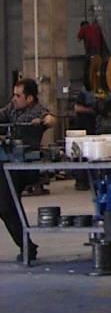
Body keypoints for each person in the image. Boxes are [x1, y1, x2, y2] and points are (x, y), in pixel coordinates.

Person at [0, 79, 54, 263]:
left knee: (6, 204)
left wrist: (43, 121)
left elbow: (51, 119)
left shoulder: (36, 111)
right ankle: (27, 245)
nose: (13, 99)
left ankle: (27, 246)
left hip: (26, 167)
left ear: (29, 98)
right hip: (9, 164)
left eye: (18, 95)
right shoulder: (12, 109)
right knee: (7, 205)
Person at [77, 12, 105, 92]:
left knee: (87, 70)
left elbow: (78, 38)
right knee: (98, 71)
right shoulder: (97, 28)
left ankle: (89, 87)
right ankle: (99, 87)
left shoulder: (84, 28)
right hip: (98, 54)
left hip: (90, 53)